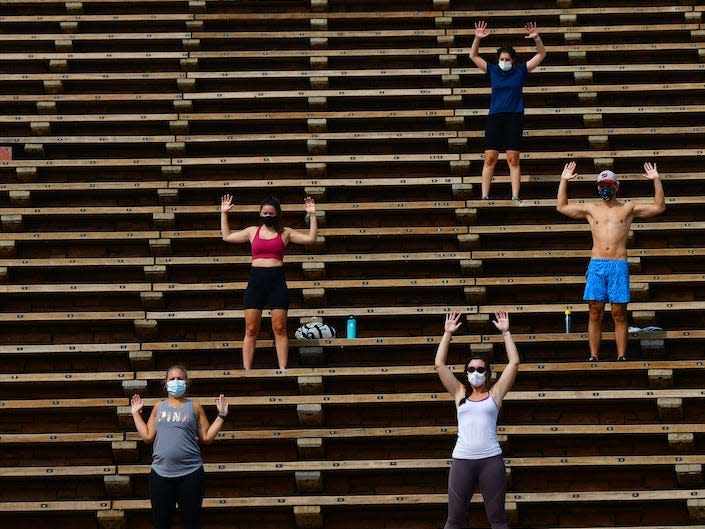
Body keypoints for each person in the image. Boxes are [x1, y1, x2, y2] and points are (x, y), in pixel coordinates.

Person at [556, 162, 665, 361]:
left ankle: (621, 355)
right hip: (597, 263)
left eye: (607, 184)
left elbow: (659, 207)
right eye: (600, 185)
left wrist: (656, 180)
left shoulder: (627, 208)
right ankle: (594, 356)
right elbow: (561, 207)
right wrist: (564, 180)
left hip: (618, 264)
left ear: (616, 186)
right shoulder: (591, 208)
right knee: (595, 312)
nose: (604, 188)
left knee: (619, 313)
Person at [435, 310, 520, 529]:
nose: (476, 372)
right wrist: (447, 334)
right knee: (454, 520)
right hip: (462, 461)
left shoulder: (495, 394)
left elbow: (514, 364)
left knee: (498, 520)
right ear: (466, 373)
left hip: (491, 460)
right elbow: (439, 365)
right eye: (471, 369)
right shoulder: (459, 393)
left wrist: (506, 332)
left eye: (480, 369)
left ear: (488, 373)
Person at [220, 194, 317, 369]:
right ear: (260, 214)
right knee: (250, 329)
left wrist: (312, 215)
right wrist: (224, 213)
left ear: (278, 214)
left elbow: (311, 239)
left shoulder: (285, 232)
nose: (268, 216)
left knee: (279, 328)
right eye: (265, 213)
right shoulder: (252, 231)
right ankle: (247, 370)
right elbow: (227, 236)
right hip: (256, 280)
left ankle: (282, 369)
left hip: (276, 280)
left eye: (271, 214)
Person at [130, 366, 229, 529]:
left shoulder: (195, 407)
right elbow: (147, 436)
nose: (176, 382)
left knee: (192, 523)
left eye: (180, 379)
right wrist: (135, 413)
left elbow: (206, 437)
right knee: (162, 524)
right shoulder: (158, 407)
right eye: (172, 379)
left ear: (187, 382)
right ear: (166, 383)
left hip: (191, 474)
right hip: (160, 474)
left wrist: (221, 416)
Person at [469, 20, 547, 201]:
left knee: (513, 158)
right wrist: (477, 38)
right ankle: (485, 195)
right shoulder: (493, 70)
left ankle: (514, 196)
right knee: (490, 157)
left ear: (513, 60)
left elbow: (542, 54)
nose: (504, 62)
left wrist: (537, 38)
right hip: (495, 116)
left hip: (514, 116)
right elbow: (473, 56)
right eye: (501, 59)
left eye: (507, 59)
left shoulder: (520, 70)